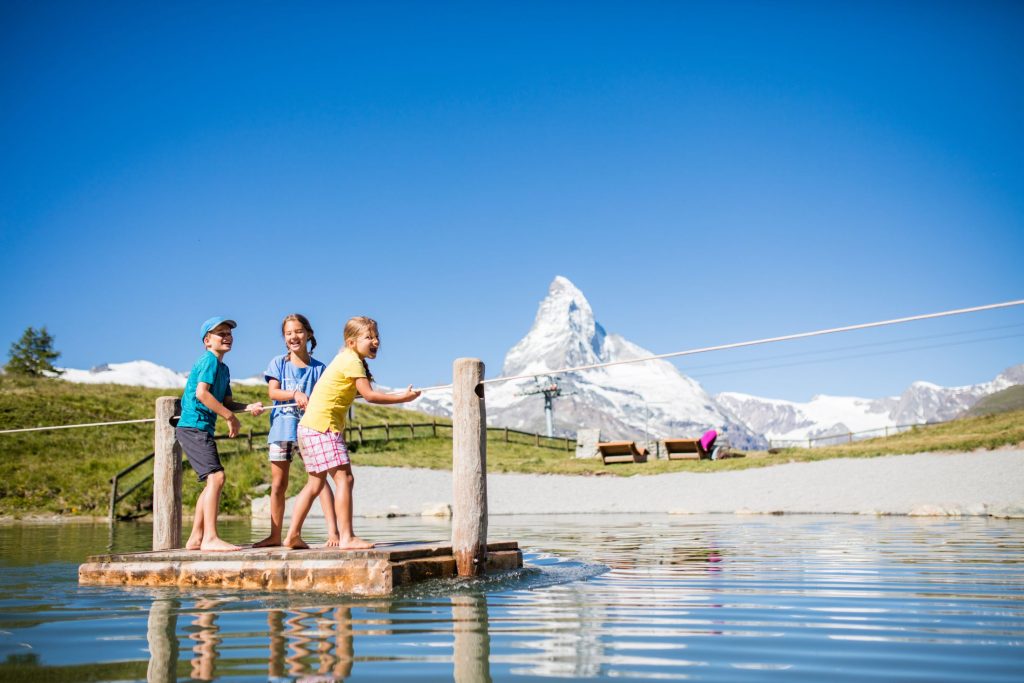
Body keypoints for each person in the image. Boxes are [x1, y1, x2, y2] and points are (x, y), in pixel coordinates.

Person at [283, 316, 421, 550]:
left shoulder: (345, 359)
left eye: (377, 336)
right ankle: (347, 537)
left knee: (315, 484)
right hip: (322, 427)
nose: (375, 341)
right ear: (351, 342)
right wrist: (403, 398)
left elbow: (351, 391)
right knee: (344, 478)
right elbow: (369, 396)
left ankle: (292, 536)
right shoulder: (352, 361)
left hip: (310, 427)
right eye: (369, 337)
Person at [176, 317, 263, 551]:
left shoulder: (223, 368)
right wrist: (229, 417)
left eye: (229, 333)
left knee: (211, 482)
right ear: (207, 341)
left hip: (201, 428)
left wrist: (247, 408)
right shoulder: (209, 361)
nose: (226, 336)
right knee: (217, 478)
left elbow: (227, 402)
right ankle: (210, 538)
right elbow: (202, 394)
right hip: (193, 426)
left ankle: (196, 538)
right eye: (220, 333)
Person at [253, 314, 337, 548]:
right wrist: (295, 394)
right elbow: (273, 393)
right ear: (284, 338)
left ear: (308, 334)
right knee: (279, 484)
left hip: (311, 430)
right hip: (282, 429)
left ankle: (333, 533)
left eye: (298, 331)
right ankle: (275, 535)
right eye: (289, 333)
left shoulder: (320, 368)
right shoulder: (278, 363)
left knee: (319, 480)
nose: (294, 336)